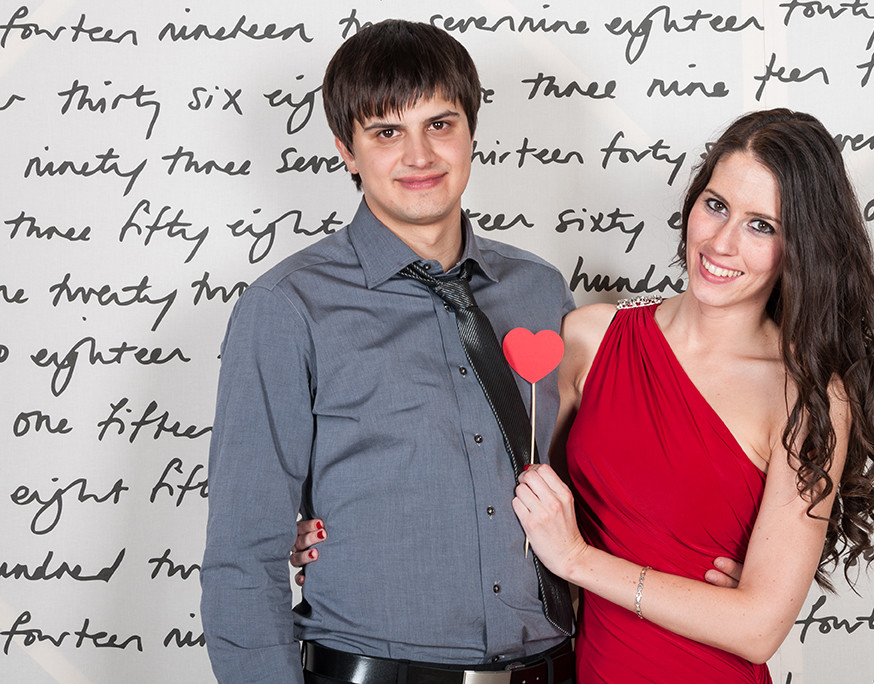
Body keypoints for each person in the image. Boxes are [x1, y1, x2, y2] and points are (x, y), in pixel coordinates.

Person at [200, 17, 740, 684]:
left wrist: (704, 559)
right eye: (386, 131)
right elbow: (241, 557)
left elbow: (596, 476)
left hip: (556, 668)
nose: (419, 155)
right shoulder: (287, 309)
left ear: (472, 130)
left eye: (440, 123)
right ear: (346, 150)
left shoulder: (541, 291)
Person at [510, 109, 874, 682]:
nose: (722, 243)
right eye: (716, 205)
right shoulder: (592, 338)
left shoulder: (811, 396)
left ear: (801, 247)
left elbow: (757, 629)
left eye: (762, 225)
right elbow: (506, 493)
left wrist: (577, 559)